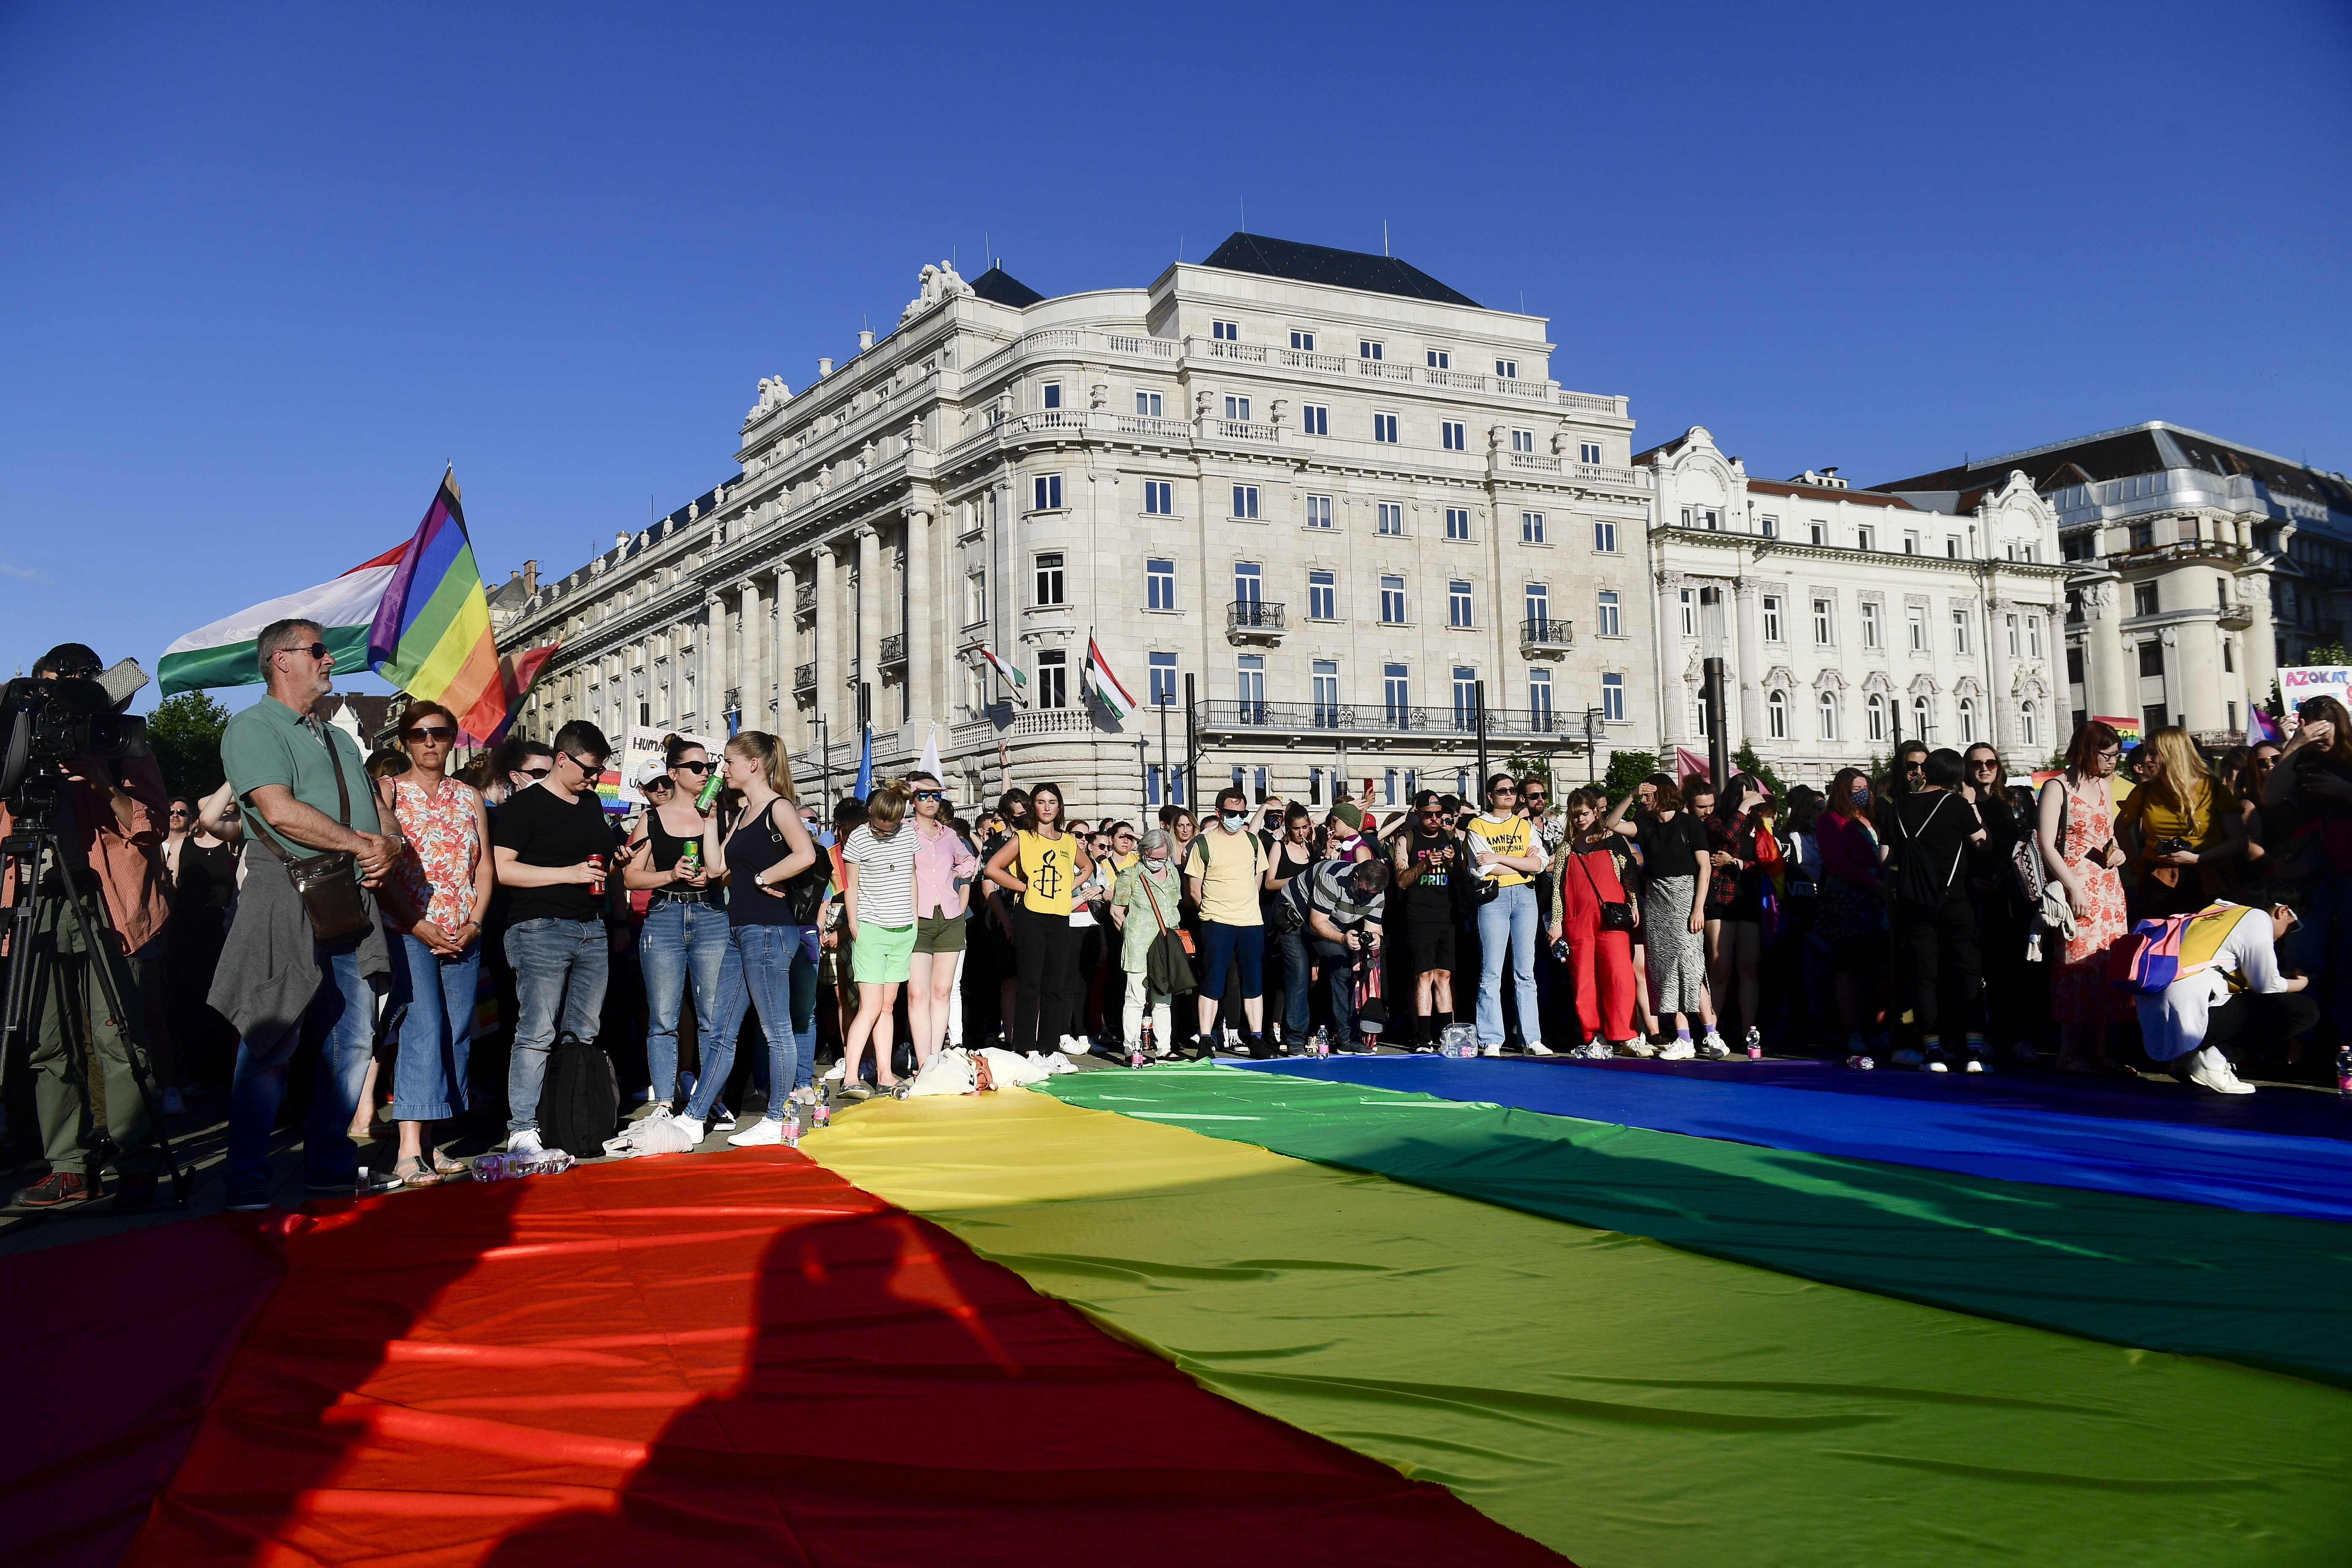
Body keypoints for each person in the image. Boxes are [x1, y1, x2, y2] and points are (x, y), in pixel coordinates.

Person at [213, 622, 399, 1211]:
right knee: (271, 1035)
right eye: (317, 650)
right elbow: (277, 810)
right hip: (284, 890)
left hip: (347, 894)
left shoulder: (341, 739)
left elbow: (379, 814)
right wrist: (361, 844)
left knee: (352, 1038)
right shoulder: (252, 726)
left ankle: (329, 1164)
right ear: (279, 661)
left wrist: (389, 844)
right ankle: (245, 1177)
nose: (329, 658)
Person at [2, 643, 174, 1210]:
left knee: (118, 1038)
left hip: (106, 901)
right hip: (37, 899)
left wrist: (101, 778)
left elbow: (147, 827)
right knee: (48, 1043)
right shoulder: (15, 734)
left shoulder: (116, 740)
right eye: (60, 678)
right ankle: (69, 1166)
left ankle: (136, 1165)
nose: (70, 686)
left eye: (83, 677)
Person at [672, 732, 819, 1136]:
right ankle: (694, 1118)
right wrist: (708, 824)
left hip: (771, 930)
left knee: (776, 1029)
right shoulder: (741, 813)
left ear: (753, 765)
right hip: (740, 930)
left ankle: (776, 1119)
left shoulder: (779, 807)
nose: (723, 770)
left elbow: (805, 853)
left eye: (729, 762)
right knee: (721, 1030)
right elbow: (717, 869)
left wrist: (764, 876)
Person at [372, 700, 493, 1186]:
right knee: (423, 1029)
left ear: (452, 739)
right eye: (420, 733)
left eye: (440, 733)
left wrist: (476, 923)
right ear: (404, 741)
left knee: (456, 1033)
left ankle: (430, 1142)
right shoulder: (389, 791)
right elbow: (379, 871)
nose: (430, 742)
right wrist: (418, 924)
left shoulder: (469, 796)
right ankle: (406, 1151)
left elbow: (483, 866)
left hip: (463, 931)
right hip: (409, 931)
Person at [490, 718, 617, 1158]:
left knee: (584, 1030)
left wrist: (614, 858)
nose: (594, 778)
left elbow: (594, 860)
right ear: (561, 760)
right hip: (540, 928)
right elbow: (503, 869)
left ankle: (569, 1114)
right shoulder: (524, 806)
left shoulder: (589, 804)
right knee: (537, 1031)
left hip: (590, 926)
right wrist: (570, 874)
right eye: (588, 769)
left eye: (598, 771)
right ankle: (523, 1126)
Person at [621, 736, 726, 1114]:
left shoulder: (718, 813)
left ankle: (709, 1098)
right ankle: (665, 1100)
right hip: (665, 917)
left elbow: (729, 871)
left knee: (711, 1016)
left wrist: (713, 878)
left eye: (709, 768)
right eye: (697, 768)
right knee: (663, 1017)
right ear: (674, 773)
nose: (705, 774)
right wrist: (670, 873)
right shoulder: (652, 818)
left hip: (712, 916)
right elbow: (631, 878)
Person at [2135, 896, 2314, 1094]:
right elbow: (2266, 985)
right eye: (2293, 926)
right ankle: (2215, 1060)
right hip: (2189, 1020)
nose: (2288, 934)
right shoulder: (2258, 918)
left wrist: (2279, 978)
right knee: (2302, 1010)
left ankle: (2188, 1060)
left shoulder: (2215, 912)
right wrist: (2301, 984)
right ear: (2283, 911)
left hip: (2155, 1021)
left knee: (2253, 1004)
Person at [2038, 720, 2133, 1075]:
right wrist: (2073, 887)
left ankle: (2099, 1051)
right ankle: (2067, 1052)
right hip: (2076, 884)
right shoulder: (2057, 787)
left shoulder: (2106, 787)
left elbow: (2108, 836)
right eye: (2106, 755)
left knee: (2106, 965)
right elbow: (2047, 844)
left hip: (2108, 885)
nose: (2113, 762)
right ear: (2087, 750)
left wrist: (2118, 852)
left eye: (2116, 756)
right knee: (2075, 966)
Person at [1886, 749, 1988, 1073]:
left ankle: (1932, 1051)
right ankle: (1974, 1051)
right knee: (1967, 971)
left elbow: (1885, 857)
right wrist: (1971, 804)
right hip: (1954, 900)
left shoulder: (1899, 807)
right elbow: (1981, 843)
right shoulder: (1956, 804)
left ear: (1927, 771)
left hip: (1914, 903)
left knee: (1922, 976)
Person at [1605, 775, 1720, 1058]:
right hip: (1657, 900)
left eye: (1648, 795)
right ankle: (1685, 1039)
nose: (1644, 800)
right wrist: (1631, 795)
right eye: (1643, 796)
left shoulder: (1689, 823)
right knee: (1665, 972)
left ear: (1662, 794)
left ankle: (1713, 1035)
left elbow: (1704, 868)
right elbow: (1611, 824)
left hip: (1685, 896)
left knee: (1691, 969)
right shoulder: (1645, 825)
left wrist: (1698, 909)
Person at [2264, 696, 2352, 1040]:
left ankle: (2344, 1038)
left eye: (2324, 728)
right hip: (2311, 866)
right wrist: (2295, 745)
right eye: (2311, 728)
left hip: (2348, 862)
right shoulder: (2302, 758)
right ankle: (2303, 1037)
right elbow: (2271, 797)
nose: (2319, 737)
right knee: (2304, 952)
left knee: (2348, 953)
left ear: (2339, 723)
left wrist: (2346, 791)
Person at [985, 781, 1093, 1056]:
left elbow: (1087, 867)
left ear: (1059, 807)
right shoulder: (1023, 837)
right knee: (1030, 986)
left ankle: (1050, 1049)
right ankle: (1027, 1049)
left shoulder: (1069, 840)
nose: (1047, 807)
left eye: (1052, 802)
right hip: (1030, 916)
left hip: (1059, 916)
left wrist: (1066, 887)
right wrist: (1024, 886)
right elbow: (992, 869)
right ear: (1033, 806)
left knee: (1055, 987)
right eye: (1041, 802)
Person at [2118, 727, 2247, 919]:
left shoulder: (2214, 790)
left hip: (2208, 877)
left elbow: (2238, 841)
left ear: (2173, 753)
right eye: (2146, 753)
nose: (2146, 760)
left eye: (2153, 753)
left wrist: (2197, 859)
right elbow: (2120, 826)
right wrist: (2134, 864)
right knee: (2164, 943)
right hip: (2159, 878)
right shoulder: (2145, 791)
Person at [1463, 774, 1549, 1057]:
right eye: (1503, 791)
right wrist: (1524, 864)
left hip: (1525, 897)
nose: (1510, 795)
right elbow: (1482, 869)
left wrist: (1501, 859)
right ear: (1490, 796)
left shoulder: (1524, 825)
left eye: (1513, 790)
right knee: (1492, 971)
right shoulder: (1477, 825)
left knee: (1526, 972)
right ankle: (1491, 1039)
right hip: (1494, 897)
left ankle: (1532, 1037)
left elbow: (1541, 864)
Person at [1961, 743, 2036, 1062]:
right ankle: (1987, 1034)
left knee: (2017, 968)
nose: (1984, 769)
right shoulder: (1959, 803)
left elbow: (2031, 842)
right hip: (1975, 893)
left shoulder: (2017, 799)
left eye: (1990, 762)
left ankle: (2017, 1035)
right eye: (1977, 764)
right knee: (1983, 968)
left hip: (2016, 893)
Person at [1184, 785, 1270, 1057]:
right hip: (1216, 922)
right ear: (1218, 812)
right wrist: (1214, 912)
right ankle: (1206, 1039)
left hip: (1251, 922)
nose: (1238, 817)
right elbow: (1194, 890)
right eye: (1232, 812)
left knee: (1253, 981)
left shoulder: (1253, 842)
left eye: (1242, 813)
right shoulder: (1204, 843)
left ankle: (1256, 1038)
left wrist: (1243, 906)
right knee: (1213, 981)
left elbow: (1258, 882)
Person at [906, 771, 977, 1071]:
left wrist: (961, 894)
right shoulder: (903, 831)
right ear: (912, 799)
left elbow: (969, 862)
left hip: (949, 917)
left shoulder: (950, 835)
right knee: (917, 992)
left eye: (936, 794)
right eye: (923, 795)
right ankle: (923, 1062)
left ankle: (934, 1059)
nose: (931, 800)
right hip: (916, 918)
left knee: (943, 991)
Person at [1816, 767, 1888, 1064]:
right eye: (1856, 788)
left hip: (1879, 901)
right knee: (1851, 967)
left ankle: (1881, 1028)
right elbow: (1837, 863)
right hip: (1849, 901)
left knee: (1881, 967)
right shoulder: (1830, 820)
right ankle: (1854, 1031)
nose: (1863, 792)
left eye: (1865, 787)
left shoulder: (1873, 818)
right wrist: (1875, 883)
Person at [1703, 773, 1775, 1055]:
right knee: (1719, 969)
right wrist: (1742, 809)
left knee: (1750, 969)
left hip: (1748, 900)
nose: (1753, 800)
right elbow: (1726, 838)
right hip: (1721, 901)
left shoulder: (1759, 825)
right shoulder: (1716, 820)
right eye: (1746, 795)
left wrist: (1738, 863)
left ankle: (1749, 1032)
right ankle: (1712, 1032)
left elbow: (1768, 862)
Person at [1388, 790, 1459, 1049]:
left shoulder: (1451, 838)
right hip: (1419, 915)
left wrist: (1454, 863)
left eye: (1439, 814)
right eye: (1429, 814)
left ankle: (1447, 1034)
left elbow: (1464, 877)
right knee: (1423, 975)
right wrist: (1425, 865)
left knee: (1444, 975)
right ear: (1417, 813)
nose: (1434, 819)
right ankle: (1424, 1035)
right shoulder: (1407, 839)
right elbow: (1401, 881)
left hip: (1447, 914)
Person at [1302, 852, 1391, 1052]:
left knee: (1344, 972)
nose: (1367, 898)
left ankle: (1345, 1038)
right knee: (1300, 975)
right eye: (1363, 893)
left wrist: (1375, 940)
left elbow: (1374, 928)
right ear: (1356, 878)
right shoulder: (1333, 877)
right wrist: (1343, 939)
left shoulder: (1376, 892)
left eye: (1372, 895)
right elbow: (1317, 923)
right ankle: (1295, 1039)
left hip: (1333, 924)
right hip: (1301, 916)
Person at [1109, 827, 1186, 1056]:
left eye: (1162, 858)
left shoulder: (1172, 871)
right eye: (1152, 857)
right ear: (1143, 853)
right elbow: (1116, 911)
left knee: (1163, 999)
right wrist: (1131, 933)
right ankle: (1132, 1049)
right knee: (1135, 998)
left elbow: (1175, 905)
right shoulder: (1130, 875)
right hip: (1139, 946)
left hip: (1165, 946)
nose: (1157, 862)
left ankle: (1165, 1049)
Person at [1260, 804, 1318, 1050]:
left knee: (1311, 977)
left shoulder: (1312, 849)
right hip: (1286, 920)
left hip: (1312, 920)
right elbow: (1269, 883)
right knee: (1294, 973)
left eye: (1305, 827)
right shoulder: (1279, 847)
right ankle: (1285, 1032)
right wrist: (1299, 880)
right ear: (1287, 827)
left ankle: (1307, 1031)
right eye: (1296, 828)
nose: (1301, 833)